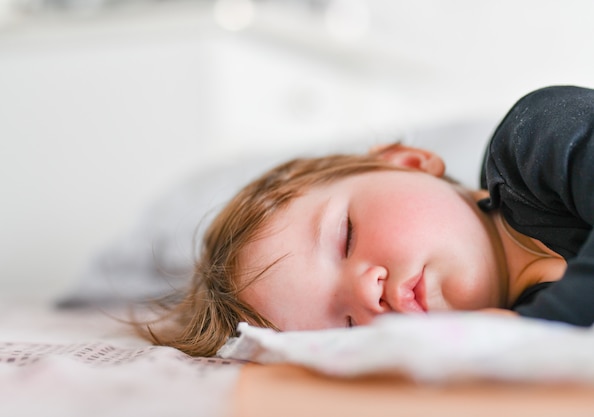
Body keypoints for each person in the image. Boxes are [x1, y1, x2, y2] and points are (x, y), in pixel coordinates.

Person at [136, 85, 594, 357]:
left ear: (408, 162)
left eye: (346, 237)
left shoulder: (531, 143)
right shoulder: (516, 338)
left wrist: (540, 328)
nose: (365, 291)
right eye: (349, 327)